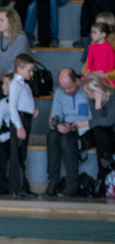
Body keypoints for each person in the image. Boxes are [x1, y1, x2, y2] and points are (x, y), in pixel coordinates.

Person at [43, 68, 91, 198]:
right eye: (63, 88)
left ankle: (72, 184)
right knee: (52, 136)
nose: (66, 91)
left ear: (76, 80)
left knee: (66, 140)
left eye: (69, 88)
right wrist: (56, 123)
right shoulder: (59, 93)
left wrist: (74, 127)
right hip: (67, 126)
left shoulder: (87, 90)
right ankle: (53, 181)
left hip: (85, 129)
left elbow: (93, 117)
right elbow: (55, 114)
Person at [73, 74, 115, 194]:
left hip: (112, 133)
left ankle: (102, 176)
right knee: (98, 132)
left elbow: (109, 121)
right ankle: (105, 166)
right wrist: (97, 103)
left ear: (97, 89)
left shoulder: (113, 96)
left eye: (87, 92)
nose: (86, 95)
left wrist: (87, 123)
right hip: (103, 136)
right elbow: (98, 123)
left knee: (99, 132)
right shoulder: (92, 99)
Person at [6, 52, 38, 198]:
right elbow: (12, 107)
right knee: (18, 155)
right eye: (29, 70)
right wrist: (19, 126)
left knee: (21, 154)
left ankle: (21, 186)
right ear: (19, 69)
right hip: (20, 120)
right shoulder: (15, 84)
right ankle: (18, 187)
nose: (31, 73)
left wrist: (32, 110)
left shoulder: (22, 84)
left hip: (25, 118)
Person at [0, 7, 30, 75]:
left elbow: (18, 64)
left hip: (14, 79)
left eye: (1, 20)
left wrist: (6, 79)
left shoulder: (21, 39)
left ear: (11, 21)